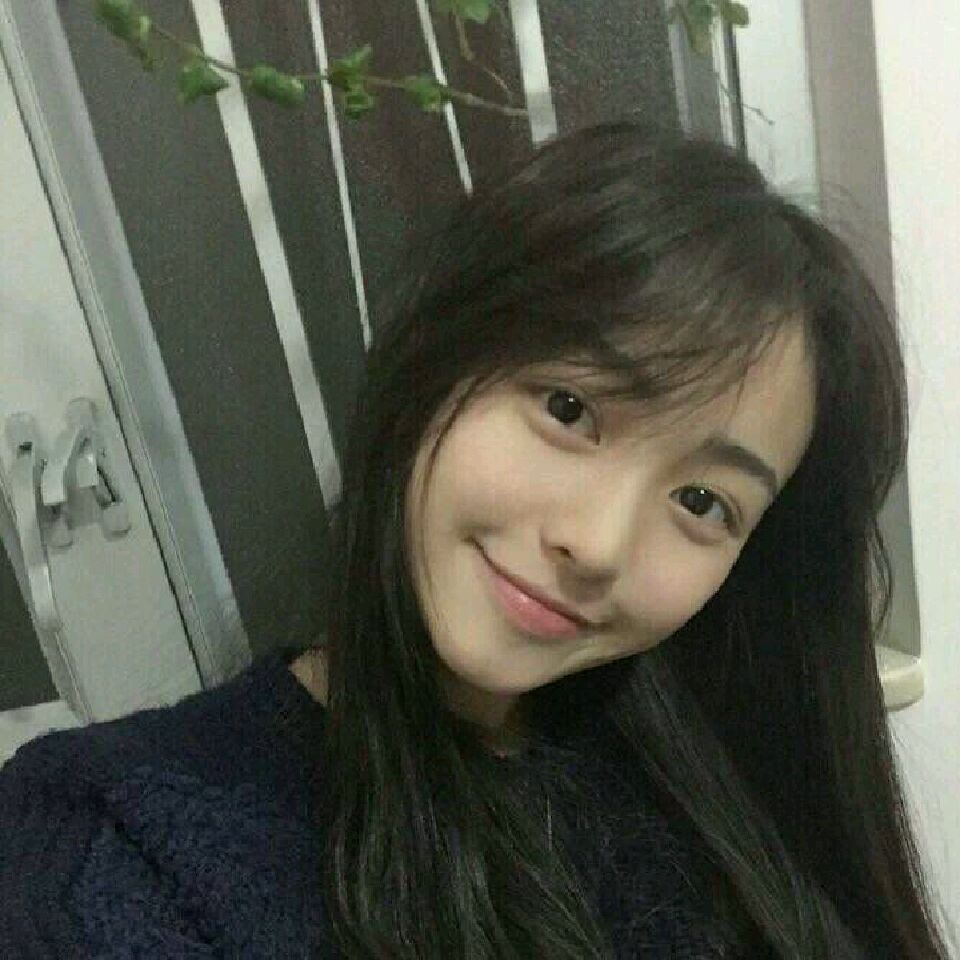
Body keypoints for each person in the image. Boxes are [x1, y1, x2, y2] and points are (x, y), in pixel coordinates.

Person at [0, 122, 951, 959]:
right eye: (569, 408)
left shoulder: (729, 772)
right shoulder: (114, 843)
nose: (597, 543)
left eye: (703, 502)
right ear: (433, 358)